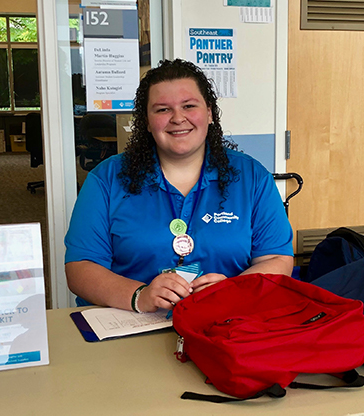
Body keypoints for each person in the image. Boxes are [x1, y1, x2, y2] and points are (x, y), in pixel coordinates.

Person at [65, 59, 294, 313]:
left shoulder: (252, 178)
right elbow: (80, 268)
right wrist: (139, 296)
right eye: (162, 109)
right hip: (132, 325)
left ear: (209, 113)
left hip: (228, 324)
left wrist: (234, 290)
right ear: (147, 122)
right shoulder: (106, 179)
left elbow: (276, 259)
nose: (177, 118)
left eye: (189, 106)